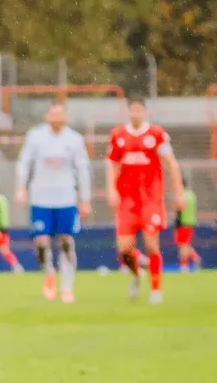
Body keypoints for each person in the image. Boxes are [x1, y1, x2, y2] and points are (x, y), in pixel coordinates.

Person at [107, 98, 184, 303]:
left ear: (145, 112)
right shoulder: (118, 135)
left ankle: (156, 290)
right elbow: (112, 164)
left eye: (139, 110)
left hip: (150, 199)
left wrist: (179, 192)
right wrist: (111, 190)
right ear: (128, 112)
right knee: (124, 249)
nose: (135, 114)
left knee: (151, 245)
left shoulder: (156, 135)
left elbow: (171, 164)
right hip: (127, 201)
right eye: (132, 110)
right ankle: (136, 274)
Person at [14, 100, 90, 303]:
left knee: (65, 241)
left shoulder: (74, 139)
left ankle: (67, 287)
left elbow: (82, 169)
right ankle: (48, 274)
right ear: (46, 117)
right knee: (41, 241)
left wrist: (85, 199)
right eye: (53, 114)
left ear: (65, 117)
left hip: (66, 198)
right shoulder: (36, 136)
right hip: (41, 197)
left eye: (60, 114)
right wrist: (21, 187)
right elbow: (24, 162)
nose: (56, 118)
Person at [173, 184, 201, 273]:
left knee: (183, 245)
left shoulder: (181, 195)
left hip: (183, 223)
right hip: (190, 222)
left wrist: (176, 225)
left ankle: (184, 265)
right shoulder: (192, 195)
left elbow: (179, 211)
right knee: (185, 244)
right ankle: (195, 257)